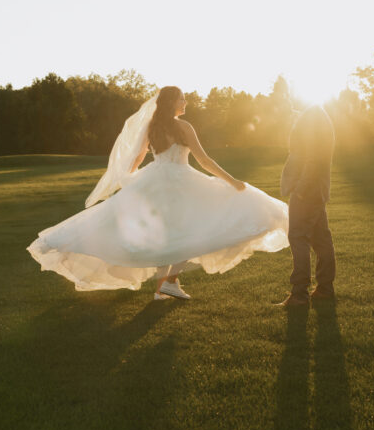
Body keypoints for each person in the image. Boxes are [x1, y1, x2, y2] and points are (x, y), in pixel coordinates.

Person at [27, 86, 289, 299]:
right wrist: (234, 181)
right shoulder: (184, 127)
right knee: (193, 229)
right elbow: (205, 161)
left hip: (156, 180)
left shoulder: (152, 127)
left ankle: (163, 288)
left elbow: (138, 157)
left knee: (169, 232)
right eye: (182, 98)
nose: (186, 102)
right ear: (173, 102)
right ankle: (170, 281)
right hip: (181, 180)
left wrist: (128, 179)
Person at [277, 105, 336, 307]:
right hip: (316, 190)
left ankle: (299, 295)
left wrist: (300, 189)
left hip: (308, 191)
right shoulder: (318, 115)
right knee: (321, 240)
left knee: (298, 237)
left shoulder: (313, 117)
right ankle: (325, 289)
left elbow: (313, 159)